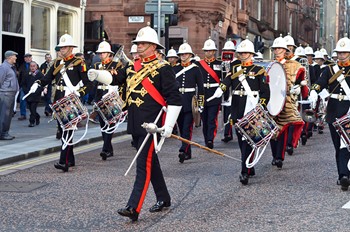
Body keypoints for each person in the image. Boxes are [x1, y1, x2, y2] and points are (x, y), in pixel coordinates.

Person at [88, 25, 182, 221]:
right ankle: (164, 198)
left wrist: (169, 126)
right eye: (138, 43)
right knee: (151, 163)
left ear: (154, 47)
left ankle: (134, 207)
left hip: (152, 125)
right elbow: (115, 80)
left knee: (143, 165)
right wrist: (98, 75)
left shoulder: (163, 68)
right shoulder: (132, 66)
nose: (138, 46)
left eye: (143, 43)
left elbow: (174, 98)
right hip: (135, 122)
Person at [208, 38, 270, 185]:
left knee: (248, 140)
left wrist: (261, 106)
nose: (242, 55)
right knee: (242, 139)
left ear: (251, 54)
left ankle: (244, 171)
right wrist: (220, 89)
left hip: (251, 107)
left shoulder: (259, 71)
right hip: (237, 107)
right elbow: (227, 82)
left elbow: (265, 92)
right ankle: (249, 165)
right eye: (241, 53)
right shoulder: (235, 69)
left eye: (245, 53)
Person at [29, 33, 93, 172]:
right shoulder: (57, 63)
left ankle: (63, 161)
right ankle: (71, 159)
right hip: (59, 99)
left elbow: (89, 84)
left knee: (68, 130)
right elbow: (47, 78)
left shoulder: (79, 63)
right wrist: (38, 83)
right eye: (60, 48)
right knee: (63, 129)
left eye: (64, 48)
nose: (61, 50)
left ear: (70, 48)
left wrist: (80, 93)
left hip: (70, 99)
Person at [309, 36, 350, 191]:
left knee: (345, 144)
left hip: (348, 110)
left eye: (344, 52)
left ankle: (344, 175)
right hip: (333, 112)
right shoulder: (330, 69)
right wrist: (314, 91)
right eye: (339, 52)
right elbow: (320, 83)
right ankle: (343, 174)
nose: (341, 55)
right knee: (337, 145)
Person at [270, 35, 306, 169]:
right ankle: (274, 155)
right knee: (272, 130)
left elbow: (302, 84)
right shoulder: (269, 64)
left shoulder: (295, 66)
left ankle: (279, 156)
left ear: (285, 50)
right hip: (271, 101)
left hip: (286, 101)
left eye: (280, 48)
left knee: (283, 130)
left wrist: (298, 87)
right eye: (275, 48)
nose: (277, 51)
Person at [173, 41, 204, 163]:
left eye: (186, 54)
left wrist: (200, 104)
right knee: (181, 128)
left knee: (187, 128)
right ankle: (188, 151)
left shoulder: (196, 69)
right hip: (178, 102)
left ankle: (183, 149)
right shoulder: (175, 69)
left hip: (190, 103)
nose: (183, 56)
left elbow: (200, 88)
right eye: (181, 54)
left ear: (190, 55)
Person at [93, 40, 119, 160]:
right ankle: (109, 148)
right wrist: (95, 100)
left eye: (103, 53)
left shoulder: (116, 65)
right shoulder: (97, 66)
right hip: (100, 96)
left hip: (111, 96)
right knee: (103, 125)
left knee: (111, 124)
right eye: (100, 53)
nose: (101, 55)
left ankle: (105, 149)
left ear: (109, 53)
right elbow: (95, 85)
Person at [196, 37, 222, 149]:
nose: (208, 53)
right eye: (206, 51)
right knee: (204, 119)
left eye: (210, 51)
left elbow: (224, 78)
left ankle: (210, 139)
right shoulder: (199, 64)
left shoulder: (219, 64)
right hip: (202, 94)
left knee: (212, 119)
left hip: (214, 94)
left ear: (214, 52)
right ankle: (206, 138)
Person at [220, 39, 240, 143]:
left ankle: (239, 133)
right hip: (226, 92)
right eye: (226, 50)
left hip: (235, 90)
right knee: (226, 113)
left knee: (235, 113)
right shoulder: (222, 63)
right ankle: (227, 133)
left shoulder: (238, 63)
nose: (228, 52)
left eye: (230, 50)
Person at [0, 50, 19, 140]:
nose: (16, 58)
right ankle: (3, 134)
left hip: (11, 94)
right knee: (5, 115)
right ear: (9, 57)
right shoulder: (4, 67)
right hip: (6, 94)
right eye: (14, 56)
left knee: (8, 115)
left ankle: (5, 132)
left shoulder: (11, 67)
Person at [22, 61, 43, 127]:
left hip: (36, 95)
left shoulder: (40, 74)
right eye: (31, 66)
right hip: (28, 94)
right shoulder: (27, 74)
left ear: (36, 67)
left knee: (33, 108)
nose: (32, 68)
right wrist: (26, 91)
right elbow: (23, 84)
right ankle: (37, 116)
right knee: (31, 109)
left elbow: (42, 84)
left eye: (34, 66)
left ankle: (32, 121)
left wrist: (37, 91)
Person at [17, 53, 33, 120]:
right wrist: (19, 85)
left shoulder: (34, 65)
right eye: (26, 57)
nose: (28, 58)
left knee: (32, 101)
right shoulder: (22, 66)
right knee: (22, 99)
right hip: (23, 86)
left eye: (29, 57)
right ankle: (23, 114)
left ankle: (33, 115)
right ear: (24, 59)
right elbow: (19, 77)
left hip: (32, 86)